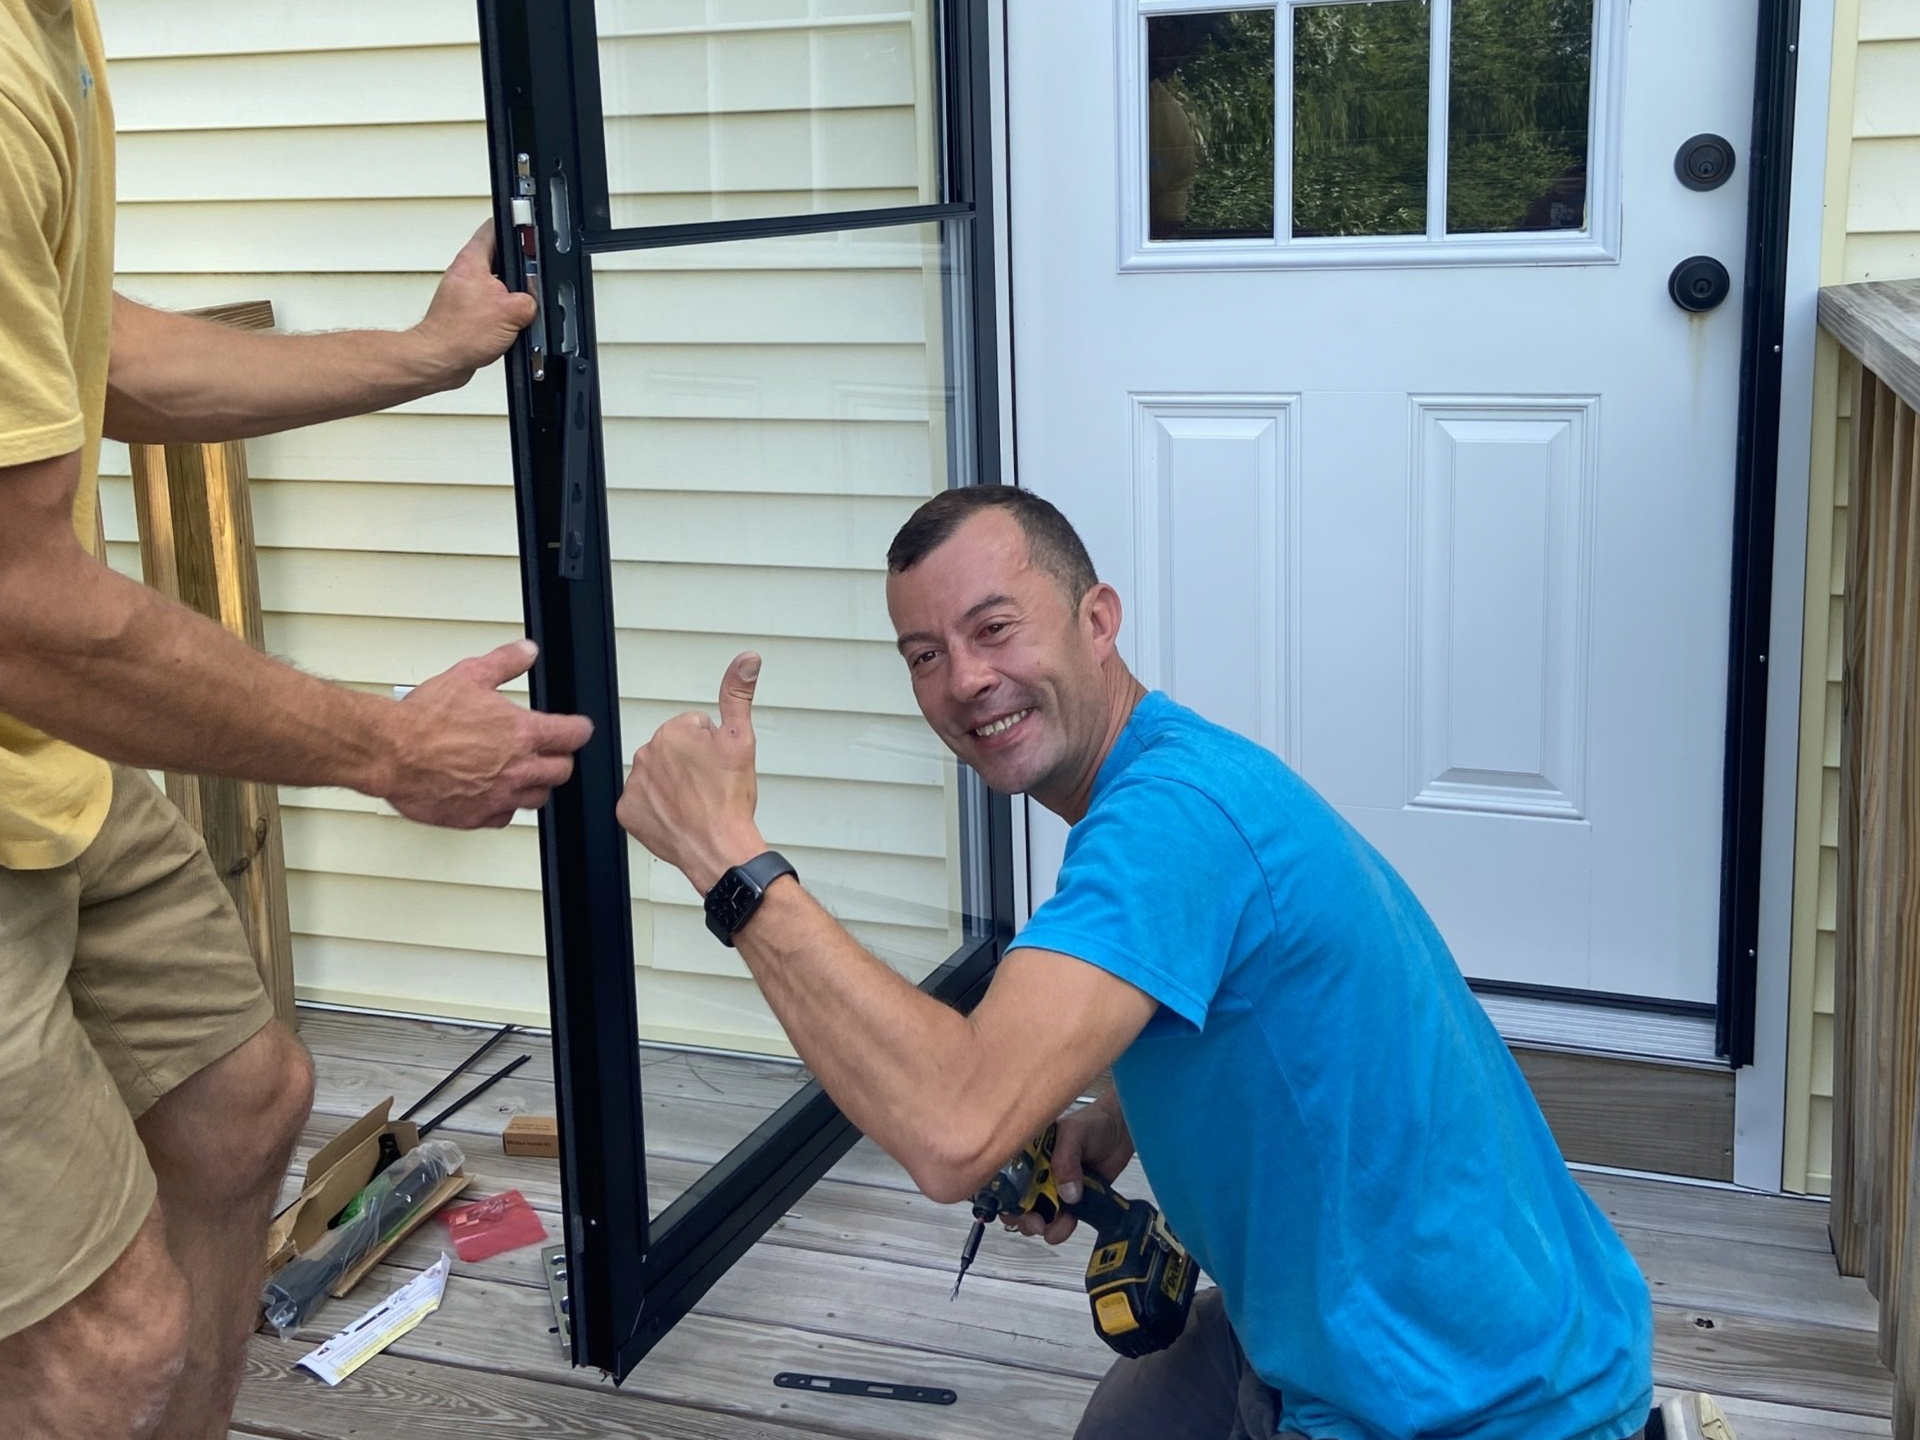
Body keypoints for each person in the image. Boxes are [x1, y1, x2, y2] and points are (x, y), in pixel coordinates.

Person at [616, 485, 1739, 1440]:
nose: (963, 680)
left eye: (995, 627)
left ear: (1097, 619)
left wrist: (731, 861)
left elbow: (955, 1128)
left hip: (1462, 1398)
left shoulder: (1170, 825)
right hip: (1381, 1320)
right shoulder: (1169, 772)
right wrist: (1122, 1115)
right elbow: (1256, 1009)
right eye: (927, 655)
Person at [0, 4, 591, 1435]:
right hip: (24, 679)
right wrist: (386, 747)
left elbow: (99, 354)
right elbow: (19, 601)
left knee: (242, 1102)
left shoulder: (47, 25)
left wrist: (426, 352)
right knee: (99, 1347)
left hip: (35, 763)